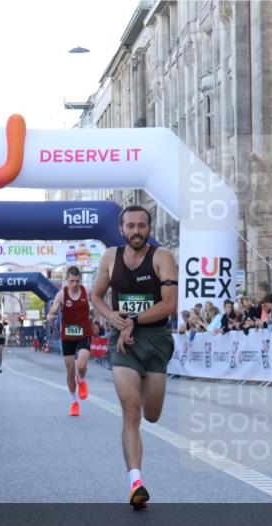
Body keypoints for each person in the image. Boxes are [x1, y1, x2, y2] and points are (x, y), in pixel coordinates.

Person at [92, 205, 178, 510]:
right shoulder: (109, 257)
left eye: (142, 226)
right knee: (131, 411)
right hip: (122, 342)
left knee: (151, 414)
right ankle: (136, 482)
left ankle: (145, 384)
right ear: (121, 229)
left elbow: (169, 305)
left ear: (149, 229)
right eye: (130, 226)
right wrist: (112, 316)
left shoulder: (162, 257)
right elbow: (97, 297)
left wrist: (134, 321)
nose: (136, 231)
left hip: (154, 339)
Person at [46, 266, 93, 416]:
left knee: (81, 364)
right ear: (67, 280)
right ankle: (74, 402)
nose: (74, 284)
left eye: (77, 281)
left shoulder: (87, 292)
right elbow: (52, 310)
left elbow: (98, 302)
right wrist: (50, 316)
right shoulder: (61, 295)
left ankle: (82, 379)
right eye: (71, 281)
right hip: (67, 334)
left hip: (84, 332)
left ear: (80, 280)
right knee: (70, 370)